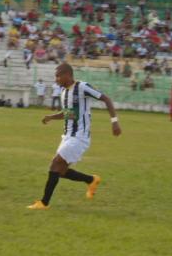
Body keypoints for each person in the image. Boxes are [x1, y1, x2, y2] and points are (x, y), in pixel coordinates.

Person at [27, 63, 121, 209]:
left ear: (68, 75)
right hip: (67, 136)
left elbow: (106, 99)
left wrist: (114, 122)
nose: (56, 79)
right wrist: (51, 117)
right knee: (61, 171)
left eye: (58, 76)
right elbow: (69, 114)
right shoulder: (64, 93)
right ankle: (91, 180)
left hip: (80, 136)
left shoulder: (82, 87)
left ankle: (44, 203)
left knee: (55, 164)